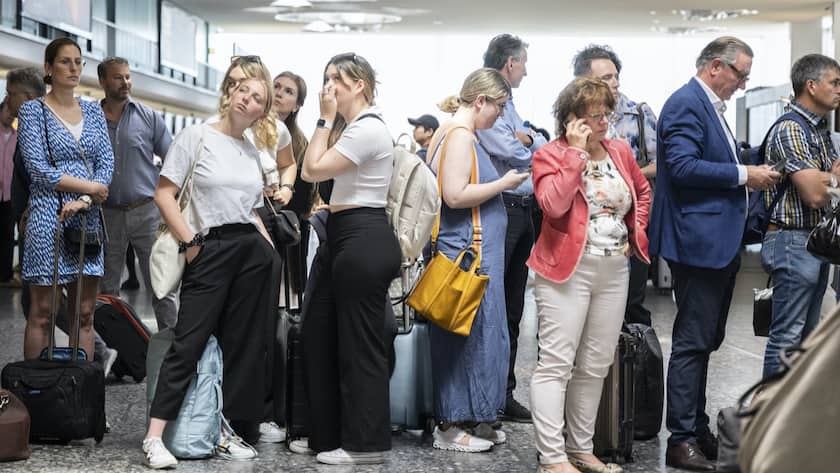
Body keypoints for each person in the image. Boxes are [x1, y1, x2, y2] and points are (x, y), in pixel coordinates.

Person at [648, 36, 780, 471]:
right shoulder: (686, 103)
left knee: (705, 340)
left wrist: (753, 160)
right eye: (740, 74)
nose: (742, 84)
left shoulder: (709, 107)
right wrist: (746, 174)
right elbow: (684, 168)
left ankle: (696, 428)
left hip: (717, 243)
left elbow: (719, 156)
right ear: (715, 68)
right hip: (698, 243)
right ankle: (681, 438)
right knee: (691, 342)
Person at [142, 67, 281, 469]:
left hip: (250, 251)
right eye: (243, 91)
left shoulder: (251, 149)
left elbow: (250, 207)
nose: (248, 100)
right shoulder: (196, 136)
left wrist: (267, 247)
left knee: (241, 345)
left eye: (257, 99)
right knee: (189, 342)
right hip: (209, 246)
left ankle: (221, 430)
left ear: (261, 112)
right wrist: (190, 244)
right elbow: (164, 194)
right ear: (231, 93)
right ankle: (154, 437)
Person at [529, 77, 650, 473]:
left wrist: (637, 231)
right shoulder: (550, 155)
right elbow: (552, 205)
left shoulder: (619, 150)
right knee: (556, 364)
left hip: (615, 267)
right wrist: (576, 155)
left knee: (596, 363)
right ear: (571, 120)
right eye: (593, 116)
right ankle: (552, 457)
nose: (603, 122)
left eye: (606, 114)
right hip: (567, 270)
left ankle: (581, 449)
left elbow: (642, 191)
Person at [298, 52, 401, 466]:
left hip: (364, 238)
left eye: (335, 79)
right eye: (324, 78)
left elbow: (312, 170)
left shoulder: (368, 128)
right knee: (317, 332)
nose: (328, 88)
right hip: (342, 236)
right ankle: (326, 434)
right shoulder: (354, 128)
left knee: (361, 346)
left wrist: (322, 120)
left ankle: (365, 445)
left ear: (359, 84)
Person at [426, 68, 527, 453]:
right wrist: (504, 183)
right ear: (480, 101)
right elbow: (454, 194)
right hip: (470, 252)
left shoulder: (456, 134)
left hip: (474, 250)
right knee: (464, 339)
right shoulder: (460, 136)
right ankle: (450, 426)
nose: (500, 116)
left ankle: (469, 418)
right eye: (498, 107)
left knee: (478, 336)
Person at [17, 37, 114, 361]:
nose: (73, 68)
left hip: (87, 218)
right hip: (47, 217)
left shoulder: (92, 110)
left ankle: (78, 396)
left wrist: (86, 199)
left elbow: (106, 164)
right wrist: (90, 188)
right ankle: (36, 393)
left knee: (84, 314)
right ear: (48, 68)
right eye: (64, 61)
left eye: (78, 61)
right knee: (43, 312)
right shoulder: (33, 111)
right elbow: (38, 169)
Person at [476, 33, 547, 423]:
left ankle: (504, 394)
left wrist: (528, 138)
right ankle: (487, 398)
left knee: (514, 308)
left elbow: (525, 145)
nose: (526, 69)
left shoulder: (511, 106)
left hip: (524, 209)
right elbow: (514, 152)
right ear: (509, 63)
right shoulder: (487, 99)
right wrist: (530, 141)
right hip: (501, 206)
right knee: (494, 307)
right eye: (523, 62)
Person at [761, 54, 840, 376]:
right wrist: (830, 179)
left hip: (812, 241)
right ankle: (768, 421)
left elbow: (828, 180)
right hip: (792, 240)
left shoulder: (817, 130)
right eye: (834, 83)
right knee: (787, 338)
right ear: (812, 85)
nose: (839, 90)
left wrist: (827, 178)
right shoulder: (791, 129)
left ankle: (790, 421)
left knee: (805, 340)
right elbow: (815, 194)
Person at [573, 44, 658, 326]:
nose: (616, 82)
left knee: (631, 304)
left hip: (629, 223)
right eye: (607, 77)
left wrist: (625, 175)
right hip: (585, 230)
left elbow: (662, 164)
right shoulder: (571, 119)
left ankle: (632, 368)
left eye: (616, 76)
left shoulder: (639, 115)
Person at [97, 56, 177, 331]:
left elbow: (173, 159)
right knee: (107, 290)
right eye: (118, 77)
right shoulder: (91, 120)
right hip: (106, 215)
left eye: (128, 76)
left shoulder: (148, 116)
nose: (125, 82)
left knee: (160, 284)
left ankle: (172, 351)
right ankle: (119, 351)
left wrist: (167, 197)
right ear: (103, 81)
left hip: (146, 213)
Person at [0, 99, 18, 286]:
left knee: (6, 236)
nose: (11, 114)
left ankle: (5, 276)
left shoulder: (16, 136)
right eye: (7, 110)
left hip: (9, 195)